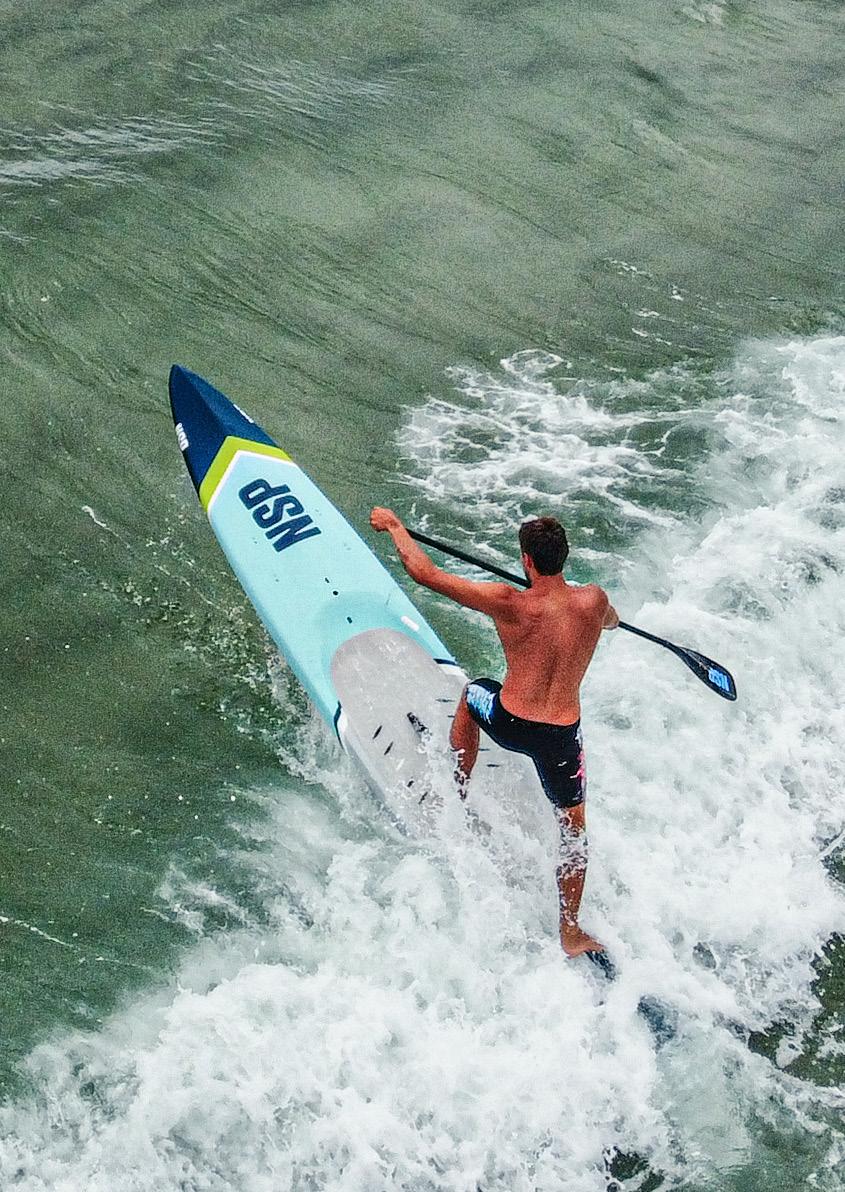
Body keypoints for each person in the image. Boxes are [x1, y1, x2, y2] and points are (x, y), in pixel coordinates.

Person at [369, 508, 619, 957]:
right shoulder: (594, 601)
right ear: (564, 557)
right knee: (574, 834)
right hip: (561, 739)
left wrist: (394, 526)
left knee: (472, 695)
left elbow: (424, 573)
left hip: (509, 722)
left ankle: (456, 791)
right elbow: (611, 620)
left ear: (527, 561)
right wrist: (602, 616)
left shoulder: (509, 603)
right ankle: (570, 931)